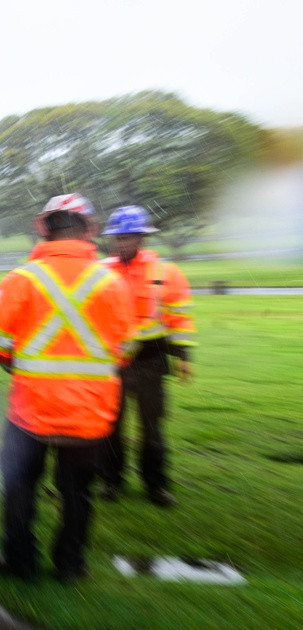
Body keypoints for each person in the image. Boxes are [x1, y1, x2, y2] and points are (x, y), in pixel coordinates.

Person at [0, 195, 135, 582]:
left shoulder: (22, 280)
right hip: (90, 414)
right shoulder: (112, 282)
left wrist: (28, 371)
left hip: (30, 410)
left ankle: (20, 560)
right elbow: (127, 349)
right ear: (90, 229)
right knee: (77, 492)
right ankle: (70, 565)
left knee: (19, 486)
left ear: (42, 227)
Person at [100, 206, 197, 508]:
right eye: (118, 238)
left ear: (141, 238)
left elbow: (178, 318)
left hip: (151, 361)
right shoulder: (101, 271)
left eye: (128, 238)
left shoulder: (165, 273)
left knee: (151, 428)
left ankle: (156, 485)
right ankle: (111, 482)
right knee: (110, 428)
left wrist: (183, 356)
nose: (122, 243)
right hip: (112, 363)